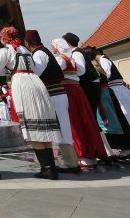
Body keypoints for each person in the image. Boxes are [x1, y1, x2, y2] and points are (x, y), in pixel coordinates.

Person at [0, 27, 61, 180]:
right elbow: (34, 67)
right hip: (36, 82)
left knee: (32, 125)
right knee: (42, 123)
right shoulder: (25, 50)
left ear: (4, 38)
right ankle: (51, 168)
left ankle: (46, 169)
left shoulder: (6, 51)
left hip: (22, 83)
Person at [24, 30, 79, 173]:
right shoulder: (44, 52)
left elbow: (36, 74)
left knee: (62, 128)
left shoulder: (39, 54)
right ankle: (70, 161)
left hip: (54, 94)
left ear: (27, 43)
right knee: (62, 127)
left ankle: (71, 163)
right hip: (57, 93)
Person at [50, 38, 107, 168]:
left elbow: (52, 72)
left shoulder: (60, 59)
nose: (52, 48)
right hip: (77, 90)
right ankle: (90, 152)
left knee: (75, 122)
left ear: (57, 47)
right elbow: (79, 71)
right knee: (84, 120)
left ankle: (84, 153)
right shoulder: (71, 58)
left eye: (53, 46)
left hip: (68, 90)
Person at [95, 49, 130, 158]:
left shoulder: (103, 60)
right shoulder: (106, 59)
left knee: (126, 118)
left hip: (117, 90)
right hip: (119, 89)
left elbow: (106, 74)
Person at [62, 33, 101, 117]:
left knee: (90, 113)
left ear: (68, 43)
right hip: (91, 84)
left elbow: (81, 71)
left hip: (89, 86)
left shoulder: (76, 53)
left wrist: (69, 75)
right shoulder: (78, 51)